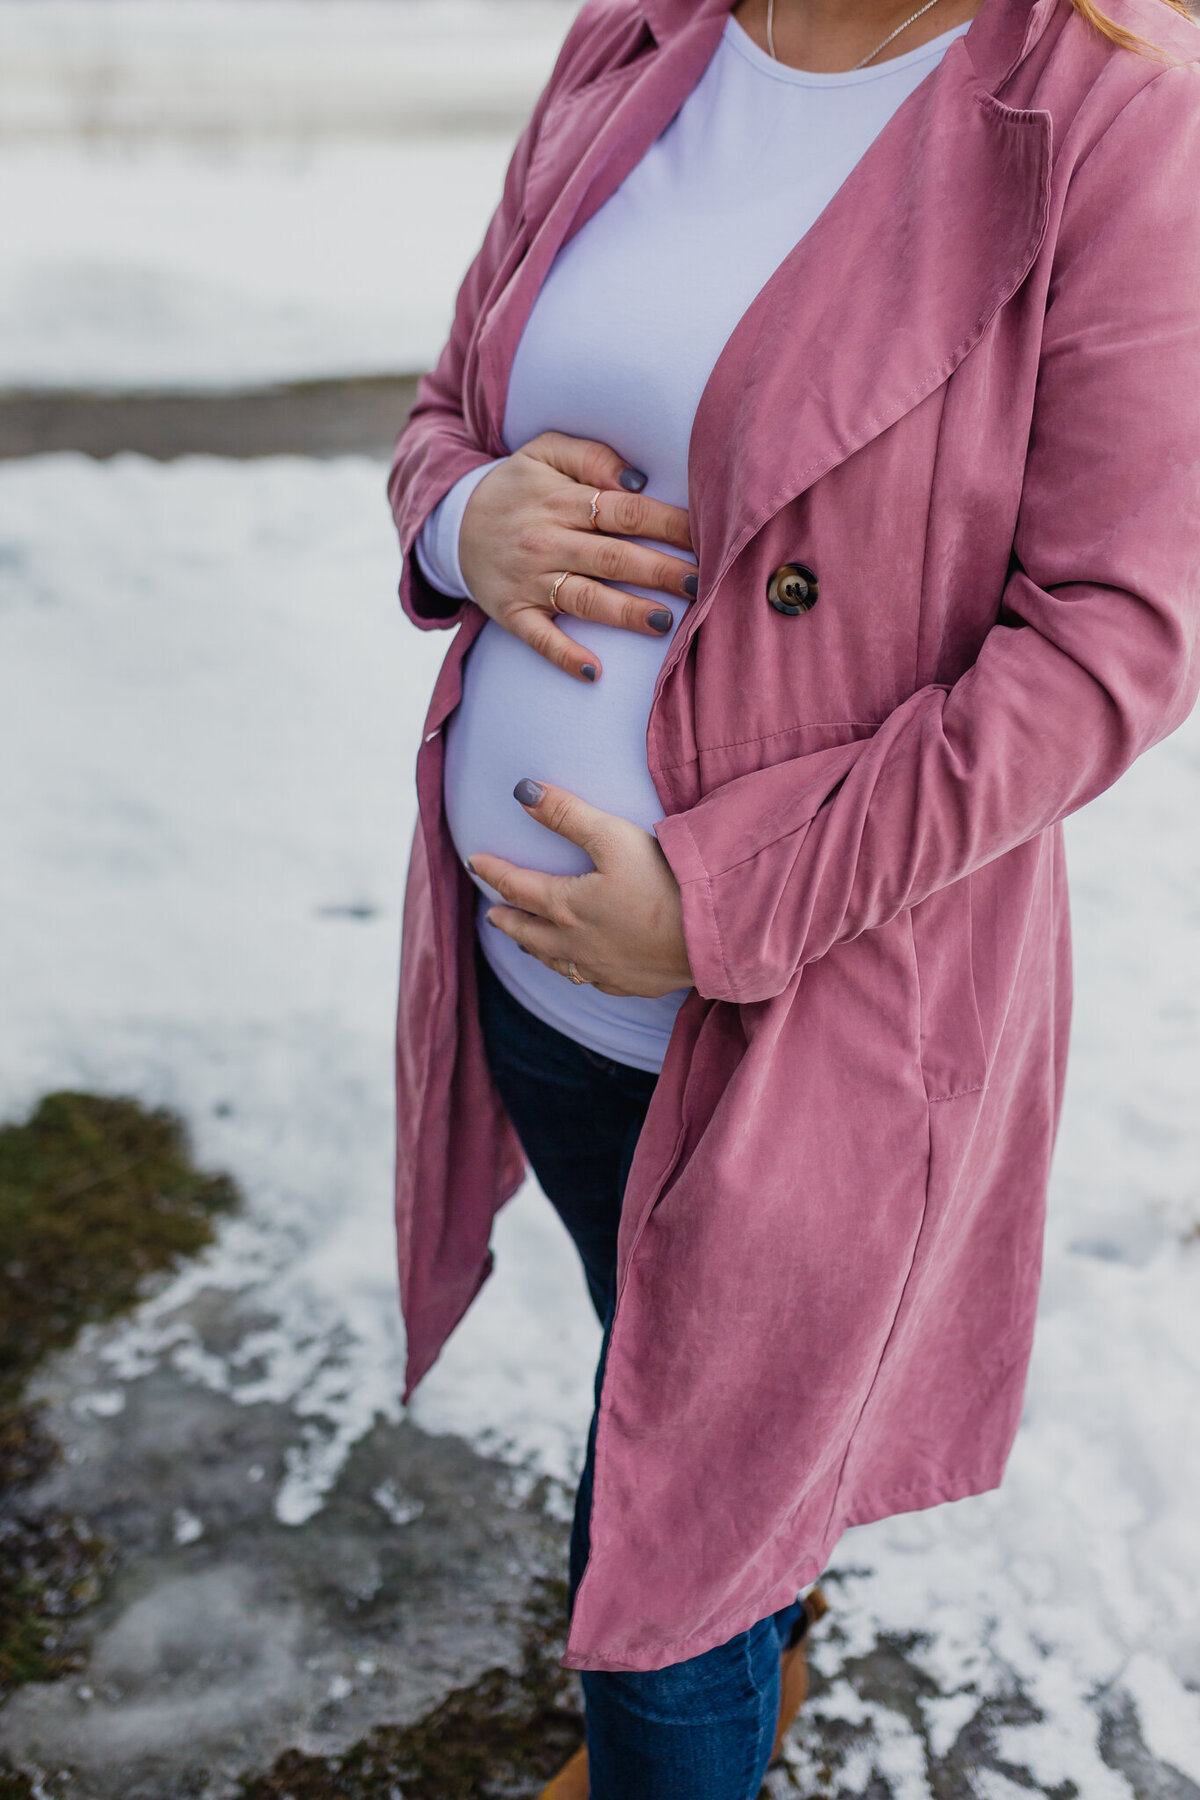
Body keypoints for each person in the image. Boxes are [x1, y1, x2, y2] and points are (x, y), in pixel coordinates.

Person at [386, 0, 1200, 1786]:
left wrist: (719, 907)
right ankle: (762, 1619)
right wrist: (464, 521)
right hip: (535, 994)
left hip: (802, 1023)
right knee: (672, 1398)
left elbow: (1110, 645)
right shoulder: (639, 32)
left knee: (666, 1557)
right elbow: (453, 403)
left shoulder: (1107, 119)